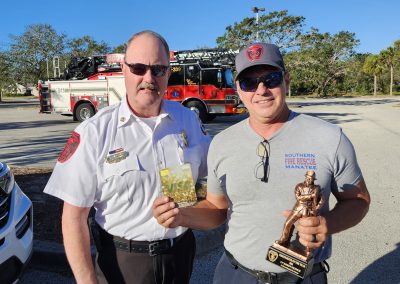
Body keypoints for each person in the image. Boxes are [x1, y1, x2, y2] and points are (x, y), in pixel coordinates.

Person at [153, 42, 370, 284]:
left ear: (286, 80)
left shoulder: (329, 137)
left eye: (271, 78)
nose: (261, 89)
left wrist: (326, 223)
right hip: (234, 275)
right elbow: (217, 209)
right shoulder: (222, 143)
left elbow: (358, 200)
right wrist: (182, 215)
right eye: (249, 82)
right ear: (238, 88)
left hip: (302, 277)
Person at [44, 30, 210, 284]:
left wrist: (188, 203)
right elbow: (73, 216)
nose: (148, 78)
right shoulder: (95, 131)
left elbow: (207, 180)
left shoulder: (187, 120)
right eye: (139, 68)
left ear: (168, 72)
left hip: (180, 254)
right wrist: (86, 280)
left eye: (158, 69)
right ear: (123, 69)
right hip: (123, 262)